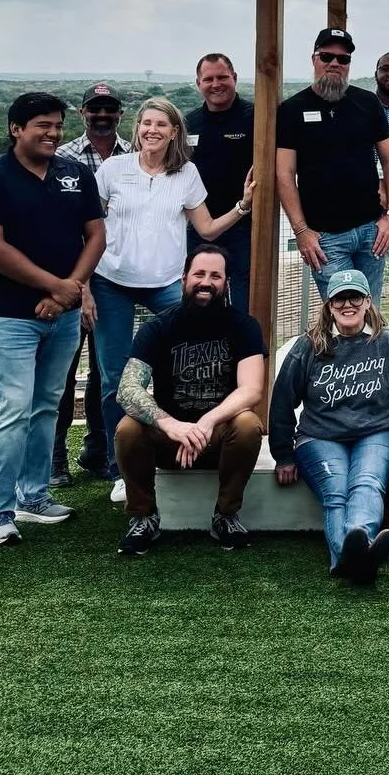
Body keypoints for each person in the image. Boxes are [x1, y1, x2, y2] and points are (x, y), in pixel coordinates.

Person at [92, 96, 254, 503]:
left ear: (175, 132)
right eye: (146, 123)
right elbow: (89, 227)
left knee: (184, 366)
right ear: (137, 129)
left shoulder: (186, 174)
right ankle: (120, 470)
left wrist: (242, 206)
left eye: (161, 125)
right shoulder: (113, 170)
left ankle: (185, 437)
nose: (152, 130)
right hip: (111, 280)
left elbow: (208, 229)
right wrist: (80, 284)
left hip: (166, 282)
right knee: (115, 378)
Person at [0, 93, 105, 547]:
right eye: (42, 125)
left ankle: (34, 495)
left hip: (62, 315)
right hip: (12, 316)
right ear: (16, 129)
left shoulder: (75, 173)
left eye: (57, 125)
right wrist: (57, 286)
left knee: (48, 405)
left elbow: (96, 234)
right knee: (13, 408)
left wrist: (70, 288)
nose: (52, 133)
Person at [269, 269, 389, 585]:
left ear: (368, 301)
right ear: (329, 305)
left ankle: (354, 549)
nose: (347, 304)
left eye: (354, 297)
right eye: (339, 299)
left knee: (367, 481)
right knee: (336, 490)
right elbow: (282, 402)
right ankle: (358, 557)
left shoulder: (388, 342)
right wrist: (284, 455)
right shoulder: (308, 346)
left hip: (379, 431)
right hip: (319, 436)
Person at [112, 244, 267, 557]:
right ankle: (144, 517)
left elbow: (252, 389)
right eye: (199, 273)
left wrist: (207, 422)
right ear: (184, 279)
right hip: (170, 440)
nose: (206, 282)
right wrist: (172, 425)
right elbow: (127, 389)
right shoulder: (158, 327)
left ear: (226, 283)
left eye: (215, 275)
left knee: (249, 423)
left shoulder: (244, 326)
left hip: (219, 439)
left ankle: (225, 516)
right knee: (128, 427)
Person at [275, 26, 389, 302]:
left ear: (349, 65)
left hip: (371, 231)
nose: (334, 63)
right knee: (342, 316)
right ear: (314, 59)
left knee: (372, 312)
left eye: (343, 59)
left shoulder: (367, 103)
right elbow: (284, 174)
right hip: (325, 238)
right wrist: (302, 231)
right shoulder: (292, 110)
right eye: (327, 56)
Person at [50, 83, 128, 486]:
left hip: (115, 279)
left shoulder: (134, 155)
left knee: (106, 372)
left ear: (119, 113)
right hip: (71, 275)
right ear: (83, 113)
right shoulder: (61, 157)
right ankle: (54, 456)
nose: (102, 115)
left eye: (110, 109)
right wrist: (79, 285)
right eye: (95, 109)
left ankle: (98, 449)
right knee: (61, 370)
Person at [185, 52, 255, 313]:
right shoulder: (188, 123)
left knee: (242, 302)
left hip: (245, 228)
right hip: (199, 229)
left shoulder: (257, 117)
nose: (216, 84)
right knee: (199, 300)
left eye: (223, 77)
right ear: (198, 84)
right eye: (209, 79)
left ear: (234, 78)